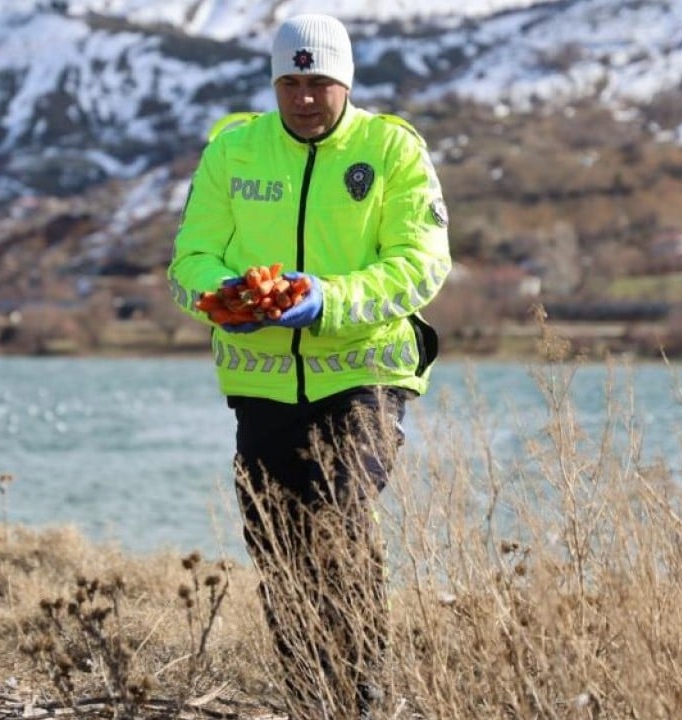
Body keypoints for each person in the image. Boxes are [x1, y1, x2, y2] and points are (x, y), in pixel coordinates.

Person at [167, 13, 451, 719]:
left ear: (345, 82)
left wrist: (328, 299)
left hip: (364, 377)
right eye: (289, 84)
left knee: (340, 515)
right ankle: (309, 698)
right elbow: (189, 260)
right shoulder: (233, 150)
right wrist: (223, 297)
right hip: (261, 385)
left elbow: (421, 265)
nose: (303, 98)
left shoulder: (391, 149)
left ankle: (360, 692)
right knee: (279, 544)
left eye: (318, 82)